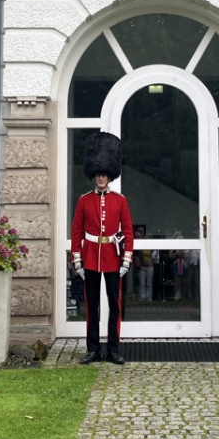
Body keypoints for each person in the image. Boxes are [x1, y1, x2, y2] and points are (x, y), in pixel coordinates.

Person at [70, 131, 134, 365]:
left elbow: (128, 232)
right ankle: (93, 349)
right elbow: (76, 233)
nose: (101, 178)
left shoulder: (120, 200)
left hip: (113, 259)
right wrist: (77, 260)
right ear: (93, 176)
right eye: (98, 175)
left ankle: (114, 350)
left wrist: (126, 259)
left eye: (104, 175)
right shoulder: (84, 200)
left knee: (115, 306)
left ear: (110, 176)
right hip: (90, 259)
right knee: (92, 307)